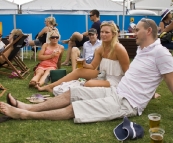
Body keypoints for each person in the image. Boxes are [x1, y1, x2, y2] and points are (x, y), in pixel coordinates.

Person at [1, 18, 173, 123]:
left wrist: (148, 94)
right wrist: (150, 92)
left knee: (74, 108)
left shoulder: (161, 54)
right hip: (116, 90)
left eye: (137, 30)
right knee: (72, 92)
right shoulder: (143, 50)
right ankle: (28, 107)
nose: (133, 33)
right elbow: (137, 76)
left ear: (148, 31)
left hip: (127, 102)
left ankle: (24, 114)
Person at [36, 21, 129, 92]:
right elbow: (93, 66)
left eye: (107, 32)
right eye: (102, 32)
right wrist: (84, 64)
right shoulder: (101, 48)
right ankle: (49, 86)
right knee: (78, 71)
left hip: (116, 79)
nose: (103, 34)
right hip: (104, 74)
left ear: (113, 34)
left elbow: (128, 73)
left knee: (89, 84)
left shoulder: (119, 49)